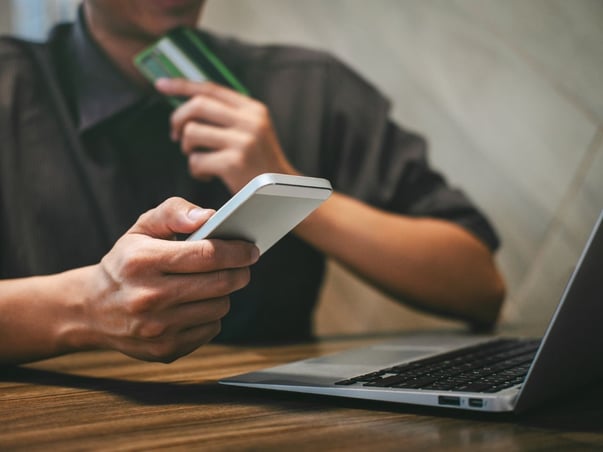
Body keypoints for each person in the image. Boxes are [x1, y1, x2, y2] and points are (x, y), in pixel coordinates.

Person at [0, 0, 505, 365]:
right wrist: (85, 306)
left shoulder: (312, 86)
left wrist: (289, 188)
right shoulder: (9, 86)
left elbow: (479, 286)